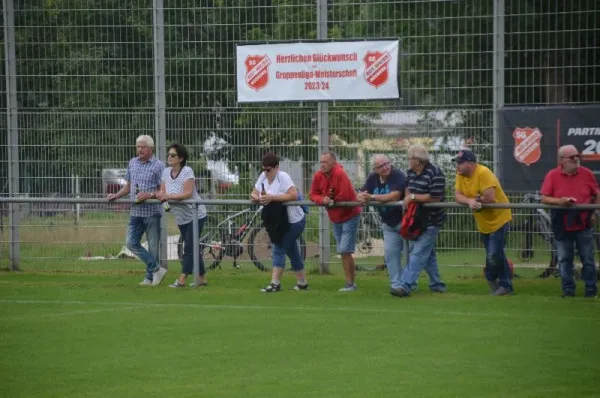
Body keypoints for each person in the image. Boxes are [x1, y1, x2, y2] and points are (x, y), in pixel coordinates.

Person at [107, 135, 167, 286]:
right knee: (131, 242)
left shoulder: (159, 165)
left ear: (151, 148)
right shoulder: (132, 163)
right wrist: (116, 195)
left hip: (152, 212)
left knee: (153, 247)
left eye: (143, 147)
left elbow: (163, 189)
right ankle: (156, 269)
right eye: (138, 146)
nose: (139, 149)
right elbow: (128, 186)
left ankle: (150, 278)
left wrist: (150, 195)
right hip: (135, 212)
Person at [540, 144, 599, 298]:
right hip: (562, 221)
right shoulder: (552, 175)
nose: (576, 159)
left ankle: (591, 290)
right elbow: (544, 198)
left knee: (588, 258)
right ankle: (568, 291)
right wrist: (560, 201)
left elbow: (597, 193)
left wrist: (595, 212)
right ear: (561, 160)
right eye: (572, 157)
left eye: (577, 156)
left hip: (584, 221)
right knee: (565, 258)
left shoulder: (587, 174)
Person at [453, 149, 514, 296]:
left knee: (494, 254)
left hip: (499, 218)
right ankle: (502, 285)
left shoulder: (483, 173)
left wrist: (476, 200)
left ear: (470, 163)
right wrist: (470, 201)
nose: (457, 166)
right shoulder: (460, 175)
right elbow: (457, 196)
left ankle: (500, 283)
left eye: (460, 163)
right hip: (484, 222)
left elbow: (490, 197)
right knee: (495, 254)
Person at [392, 144, 447, 297]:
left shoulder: (435, 173)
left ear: (417, 160)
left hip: (432, 220)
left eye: (409, 158)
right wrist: (409, 196)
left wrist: (413, 198)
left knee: (418, 252)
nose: (408, 161)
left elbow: (436, 197)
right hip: (416, 219)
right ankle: (437, 284)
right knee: (427, 254)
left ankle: (405, 285)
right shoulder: (410, 172)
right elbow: (408, 188)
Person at [250, 153, 308, 293]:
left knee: (279, 247)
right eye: (263, 169)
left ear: (277, 168)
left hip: (295, 222)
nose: (265, 172)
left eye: (268, 170)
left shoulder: (283, 177)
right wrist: (256, 198)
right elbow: (253, 193)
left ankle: (275, 284)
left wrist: (272, 197)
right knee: (292, 251)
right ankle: (302, 282)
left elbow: (293, 195)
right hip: (280, 222)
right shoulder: (263, 177)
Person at [154, 143, 208, 288]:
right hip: (181, 217)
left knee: (188, 247)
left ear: (181, 158)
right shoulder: (166, 172)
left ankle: (182, 278)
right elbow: (162, 192)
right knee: (192, 246)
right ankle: (202, 277)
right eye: (169, 155)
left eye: (173, 155)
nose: (169, 157)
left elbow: (187, 193)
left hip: (196, 214)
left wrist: (168, 196)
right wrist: (160, 195)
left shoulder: (187, 171)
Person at [309, 151, 362, 292]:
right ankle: (350, 283)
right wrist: (323, 199)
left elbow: (345, 195)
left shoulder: (340, 174)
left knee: (344, 250)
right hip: (336, 218)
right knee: (344, 251)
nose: (322, 165)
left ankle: (350, 284)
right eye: (321, 162)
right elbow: (313, 194)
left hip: (350, 215)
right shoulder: (318, 176)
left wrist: (329, 199)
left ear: (333, 162)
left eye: (325, 162)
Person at [356, 154, 406, 293]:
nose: (385, 167)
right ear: (375, 169)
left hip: (405, 222)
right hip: (388, 224)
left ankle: (433, 283)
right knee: (391, 254)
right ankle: (396, 285)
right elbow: (362, 192)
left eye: (386, 164)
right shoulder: (373, 177)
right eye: (381, 166)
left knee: (415, 255)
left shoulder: (397, 175)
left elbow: (394, 196)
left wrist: (371, 197)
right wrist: (361, 196)